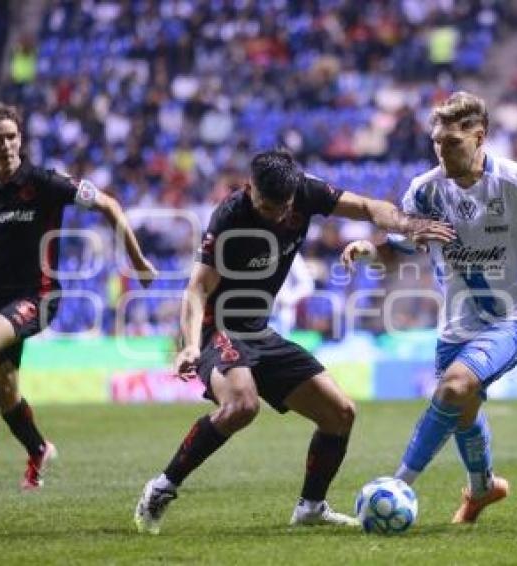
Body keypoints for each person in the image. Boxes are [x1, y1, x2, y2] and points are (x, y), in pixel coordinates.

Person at [133, 150, 454, 534]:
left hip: (260, 332)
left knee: (340, 414)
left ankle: (311, 508)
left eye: (283, 208)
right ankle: (162, 487)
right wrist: (188, 345)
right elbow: (198, 287)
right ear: (250, 189)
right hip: (217, 329)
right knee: (242, 405)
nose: (278, 216)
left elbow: (369, 207)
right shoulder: (229, 217)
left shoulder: (305, 193)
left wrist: (408, 224)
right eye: (268, 208)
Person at [341, 91, 517, 524]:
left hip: (511, 320)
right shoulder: (424, 191)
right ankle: (483, 489)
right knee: (464, 409)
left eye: (452, 143)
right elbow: (401, 249)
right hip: (456, 326)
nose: (442, 150)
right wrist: (368, 250)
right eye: (437, 142)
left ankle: (398, 484)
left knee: (453, 388)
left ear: (479, 137)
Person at [0, 103, 157, 489]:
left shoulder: (44, 183)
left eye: (12, 137)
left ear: (21, 140)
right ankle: (38, 449)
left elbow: (109, 204)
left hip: (37, 297)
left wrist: (138, 261)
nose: (6, 145)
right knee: (7, 390)